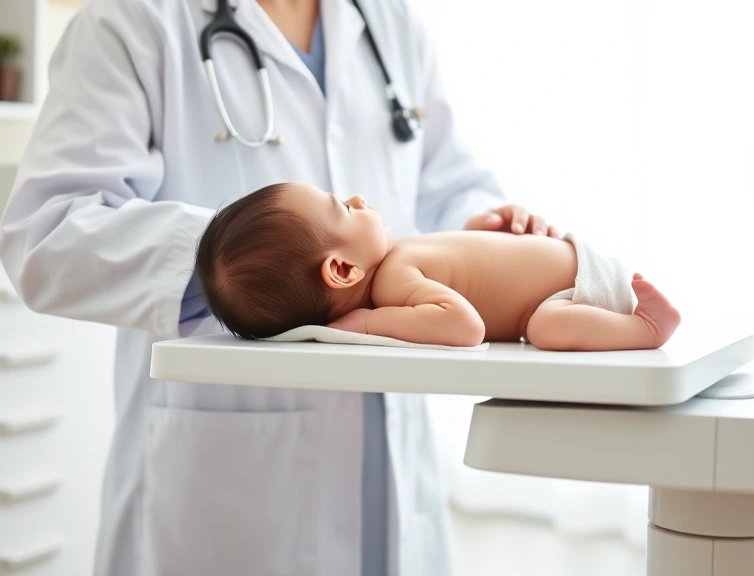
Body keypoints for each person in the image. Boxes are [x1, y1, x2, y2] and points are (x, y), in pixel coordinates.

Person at [0, 0, 559, 574]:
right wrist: (253, 269)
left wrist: (486, 230)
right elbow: (49, 232)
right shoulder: (133, 21)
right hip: (227, 480)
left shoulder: (391, 23)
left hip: (390, 454)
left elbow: (447, 184)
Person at [193, 183, 681, 349]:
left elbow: (465, 326)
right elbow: (466, 314)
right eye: (343, 207)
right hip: (570, 276)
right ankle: (640, 323)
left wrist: (368, 322)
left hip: (577, 287)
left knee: (547, 328)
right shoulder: (398, 269)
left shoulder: (393, 278)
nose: (359, 198)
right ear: (341, 270)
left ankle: (646, 327)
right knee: (545, 324)